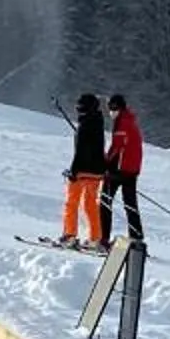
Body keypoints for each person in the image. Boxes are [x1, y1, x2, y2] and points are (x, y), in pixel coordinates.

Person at [61, 92, 110, 250]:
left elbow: (81, 151)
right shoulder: (98, 123)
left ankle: (70, 235)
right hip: (97, 172)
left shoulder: (84, 126)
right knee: (90, 204)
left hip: (82, 171)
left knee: (71, 203)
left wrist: (73, 171)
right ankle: (95, 237)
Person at [100, 92, 146, 247]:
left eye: (111, 109)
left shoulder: (122, 122)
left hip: (120, 169)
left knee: (105, 200)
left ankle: (103, 238)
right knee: (130, 203)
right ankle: (136, 236)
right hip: (132, 170)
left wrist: (106, 162)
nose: (110, 113)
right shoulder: (130, 120)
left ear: (116, 108)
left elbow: (117, 146)